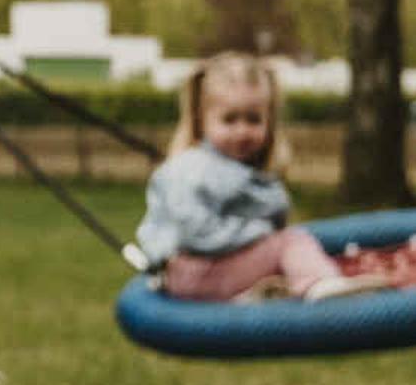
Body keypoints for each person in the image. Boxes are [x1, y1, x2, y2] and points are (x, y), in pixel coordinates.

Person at [136, 53, 387, 302]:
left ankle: (256, 293)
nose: (242, 131)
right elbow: (197, 234)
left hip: (199, 274)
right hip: (195, 273)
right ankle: (320, 283)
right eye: (230, 119)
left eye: (253, 119)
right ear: (202, 120)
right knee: (290, 242)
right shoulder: (194, 169)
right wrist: (260, 231)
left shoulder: (228, 168)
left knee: (283, 250)